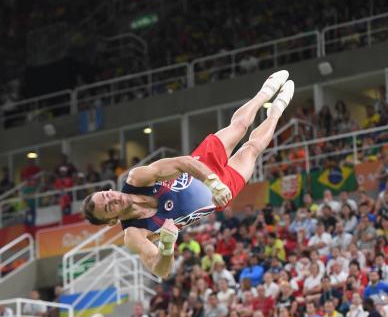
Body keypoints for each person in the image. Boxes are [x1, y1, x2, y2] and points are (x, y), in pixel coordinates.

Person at [82, 71, 295, 277]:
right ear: (111, 221)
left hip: (202, 165)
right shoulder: (134, 234)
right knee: (252, 149)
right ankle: (277, 110)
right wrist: (166, 248)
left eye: (107, 195)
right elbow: (161, 270)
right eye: (109, 207)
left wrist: (212, 182)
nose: (114, 199)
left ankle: (265, 93)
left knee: (239, 126)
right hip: (214, 198)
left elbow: (183, 162)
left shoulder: (137, 179)